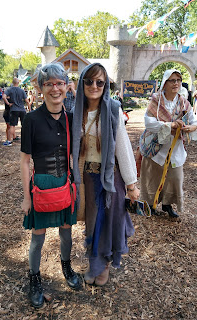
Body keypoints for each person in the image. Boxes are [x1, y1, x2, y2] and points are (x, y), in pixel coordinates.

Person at [20, 63, 82, 309]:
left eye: (59, 83)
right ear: (41, 88)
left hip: (64, 184)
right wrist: (26, 197)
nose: (55, 89)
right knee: (38, 237)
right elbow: (25, 162)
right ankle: (34, 278)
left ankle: (66, 267)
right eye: (49, 84)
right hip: (42, 185)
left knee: (67, 231)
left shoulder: (72, 119)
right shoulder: (31, 119)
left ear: (67, 87)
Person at [72, 63, 139, 286]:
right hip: (88, 181)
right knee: (92, 224)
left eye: (99, 82)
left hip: (110, 180)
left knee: (109, 224)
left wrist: (131, 184)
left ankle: (104, 269)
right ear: (82, 83)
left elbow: (123, 147)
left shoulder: (112, 109)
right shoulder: (76, 111)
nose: (94, 86)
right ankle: (95, 265)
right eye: (89, 81)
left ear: (105, 84)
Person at [139, 69, 197, 218]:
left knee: (174, 178)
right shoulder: (156, 101)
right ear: (165, 84)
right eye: (172, 80)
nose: (176, 83)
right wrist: (170, 125)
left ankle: (167, 204)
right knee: (153, 178)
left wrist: (190, 127)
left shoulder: (184, 102)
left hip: (175, 148)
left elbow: (193, 120)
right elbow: (149, 123)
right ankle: (150, 205)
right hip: (155, 147)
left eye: (178, 80)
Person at [3, 78, 30, 142]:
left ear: (12, 83)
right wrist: (29, 109)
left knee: (12, 125)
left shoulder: (9, 90)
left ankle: (9, 140)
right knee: (24, 125)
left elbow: (4, 97)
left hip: (14, 109)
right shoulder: (22, 90)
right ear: (18, 83)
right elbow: (27, 101)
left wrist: (8, 103)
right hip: (22, 109)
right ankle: (25, 139)